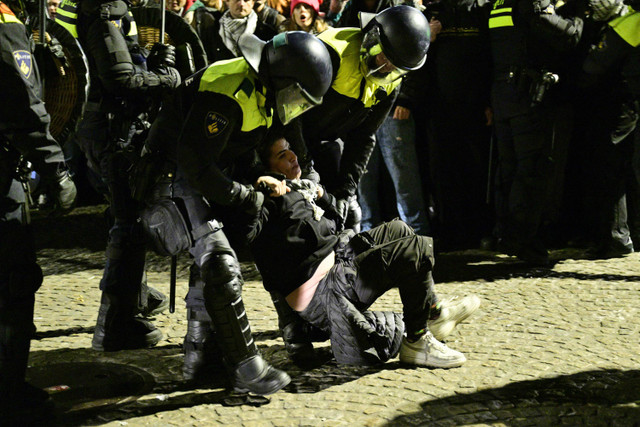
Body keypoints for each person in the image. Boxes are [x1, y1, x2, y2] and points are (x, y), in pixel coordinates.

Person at [140, 31, 333, 394]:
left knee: (209, 263)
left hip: (208, 172)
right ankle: (247, 369)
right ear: (282, 80)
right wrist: (245, 197)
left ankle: (200, 359)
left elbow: (275, 138)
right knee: (218, 260)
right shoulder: (228, 89)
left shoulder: (266, 89)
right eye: (297, 95)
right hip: (173, 174)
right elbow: (194, 161)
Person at [246, 134, 480, 368]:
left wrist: (322, 196)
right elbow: (248, 234)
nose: (292, 156)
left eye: (289, 149)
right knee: (414, 250)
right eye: (281, 155)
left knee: (400, 229)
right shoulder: (267, 203)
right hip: (324, 292)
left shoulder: (299, 189)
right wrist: (259, 190)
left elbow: (336, 222)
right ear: (268, 170)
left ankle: (434, 314)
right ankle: (417, 341)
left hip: (339, 263)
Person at [56, 0, 181, 351]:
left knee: (128, 217)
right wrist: (164, 79)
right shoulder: (99, 12)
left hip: (107, 125)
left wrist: (151, 63)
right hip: (113, 129)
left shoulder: (104, 10)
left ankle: (133, 297)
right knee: (127, 225)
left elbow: (121, 62)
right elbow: (120, 79)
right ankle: (115, 322)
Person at [0, 0, 77, 422]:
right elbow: (23, 105)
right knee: (12, 282)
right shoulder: (5, 23)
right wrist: (56, 171)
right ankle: (7, 390)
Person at [289, 5, 431, 233]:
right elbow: (290, 114)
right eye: (385, 57)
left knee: (342, 211)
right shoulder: (332, 52)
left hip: (326, 139)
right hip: (287, 136)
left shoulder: (391, 82)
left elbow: (364, 136)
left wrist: (345, 192)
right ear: (373, 38)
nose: (387, 67)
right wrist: (305, 166)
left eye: (396, 67)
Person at [488, 0, 583, 265]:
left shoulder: (498, 3)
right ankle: (525, 241)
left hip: (502, 92)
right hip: (527, 94)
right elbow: (566, 35)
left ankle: (505, 235)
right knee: (530, 170)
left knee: (508, 170)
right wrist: (576, 18)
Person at [191, 0, 278, 63]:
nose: (241, 4)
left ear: (252, 3)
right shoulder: (212, 28)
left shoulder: (266, 32)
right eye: (237, 0)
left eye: (246, 0)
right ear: (227, 1)